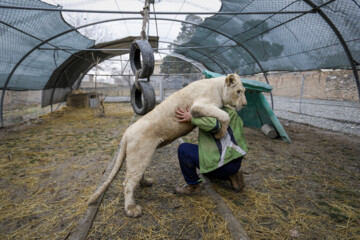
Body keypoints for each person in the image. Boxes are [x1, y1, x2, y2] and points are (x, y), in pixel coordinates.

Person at [174, 106, 247, 195]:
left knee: (184, 149)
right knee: (208, 149)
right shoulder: (229, 109)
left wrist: (192, 118)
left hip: (223, 165)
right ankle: (233, 175)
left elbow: (215, 125)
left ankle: (193, 187)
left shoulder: (212, 112)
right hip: (236, 161)